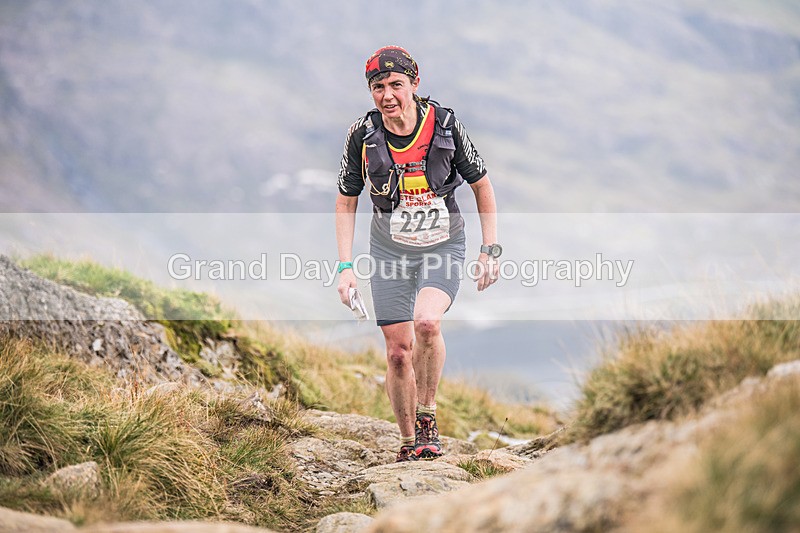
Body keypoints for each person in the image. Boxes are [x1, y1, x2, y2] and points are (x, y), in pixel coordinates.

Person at [335, 46, 501, 462]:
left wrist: (490, 249)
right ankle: (409, 440)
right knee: (397, 351)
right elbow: (346, 199)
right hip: (389, 249)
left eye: (396, 85)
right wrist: (345, 267)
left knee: (427, 323)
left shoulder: (444, 124)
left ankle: (428, 417)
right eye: (378, 87)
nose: (387, 95)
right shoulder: (362, 134)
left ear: (414, 84)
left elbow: (482, 185)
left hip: (444, 242)